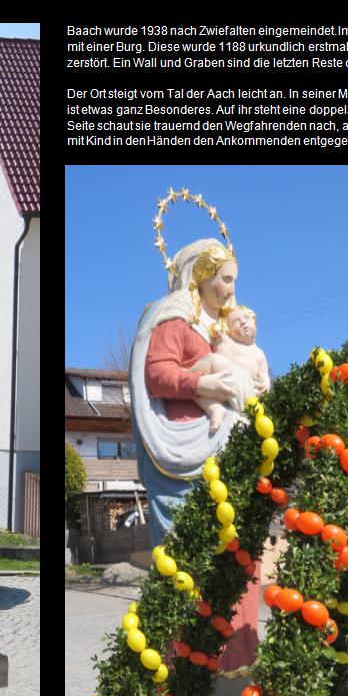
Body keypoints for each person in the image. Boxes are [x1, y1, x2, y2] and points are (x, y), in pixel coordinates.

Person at [130, 238, 262, 671]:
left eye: (234, 281)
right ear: (202, 278)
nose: (231, 290)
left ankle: (237, 655)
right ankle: (190, 660)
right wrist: (206, 386)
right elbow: (157, 374)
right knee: (194, 559)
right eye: (226, 280)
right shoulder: (175, 320)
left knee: (237, 548)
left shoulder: (217, 332)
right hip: (186, 449)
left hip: (222, 446)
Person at [190, 305, 271, 435]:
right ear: (229, 330)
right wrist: (221, 342)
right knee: (192, 385)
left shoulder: (259, 353)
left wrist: (266, 383)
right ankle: (214, 408)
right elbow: (222, 358)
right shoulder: (230, 344)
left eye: (246, 318)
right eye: (236, 322)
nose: (243, 322)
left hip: (246, 393)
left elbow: (264, 375)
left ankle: (184, 376)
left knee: (208, 365)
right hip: (226, 385)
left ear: (254, 321)